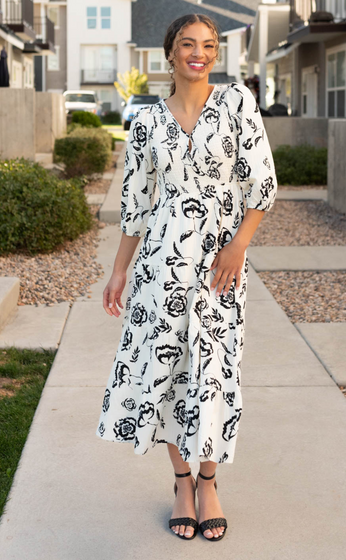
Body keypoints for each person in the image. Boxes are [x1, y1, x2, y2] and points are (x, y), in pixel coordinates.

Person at [95, 13, 278, 541]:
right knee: (169, 375)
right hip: (161, 271)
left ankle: (210, 481)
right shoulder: (147, 123)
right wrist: (118, 272)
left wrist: (237, 248)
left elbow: (262, 184)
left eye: (209, 45)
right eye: (188, 44)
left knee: (214, 373)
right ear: (169, 53)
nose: (200, 53)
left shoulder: (238, 103)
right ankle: (181, 483)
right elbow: (135, 206)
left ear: (215, 54)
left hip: (221, 268)